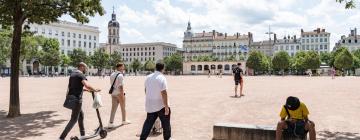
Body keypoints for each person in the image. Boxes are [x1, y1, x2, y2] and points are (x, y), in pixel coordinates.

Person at [59, 62, 100, 140]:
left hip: (72, 98)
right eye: (85, 67)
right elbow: (87, 85)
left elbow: (73, 87)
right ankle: (62, 137)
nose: (86, 69)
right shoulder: (81, 75)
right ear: (81, 67)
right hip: (77, 100)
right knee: (74, 119)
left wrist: (86, 90)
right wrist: (95, 90)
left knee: (81, 116)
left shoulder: (72, 74)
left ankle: (83, 133)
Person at [140, 62, 172, 140]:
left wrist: (150, 98)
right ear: (163, 68)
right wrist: (166, 106)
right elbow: (164, 92)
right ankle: (167, 138)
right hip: (160, 105)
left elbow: (146, 90)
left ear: (155, 67)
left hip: (150, 104)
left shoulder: (148, 77)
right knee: (166, 123)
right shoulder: (162, 77)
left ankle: (142, 138)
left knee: (148, 123)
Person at [108, 63, 130, 128]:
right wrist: (122, 95)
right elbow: (121, 86)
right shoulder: (120, 75)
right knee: (123, 107)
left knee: (113, 108)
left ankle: (110, 123)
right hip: (119, 93)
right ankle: (124, 120)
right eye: (123, 67)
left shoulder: (112, 74)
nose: (124, 68)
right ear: (120, 67)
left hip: (113, 93)